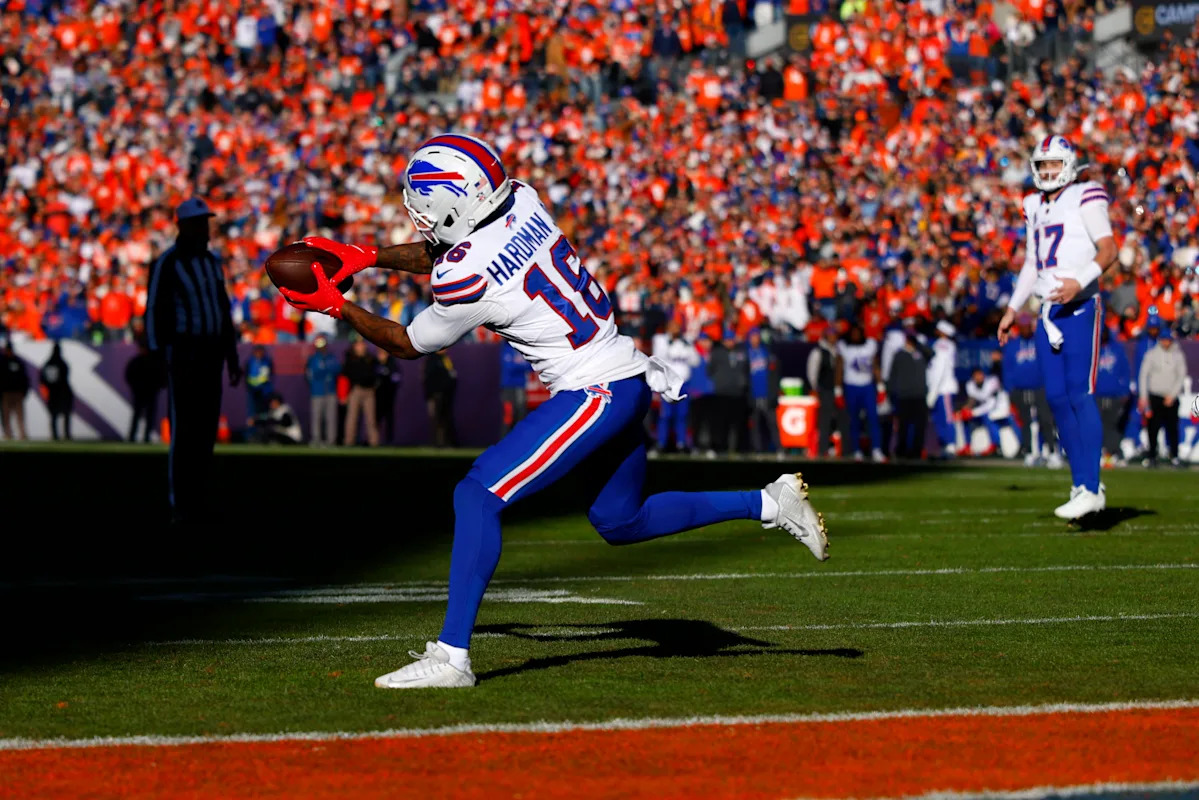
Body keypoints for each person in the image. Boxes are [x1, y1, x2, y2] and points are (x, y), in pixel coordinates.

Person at [280, 133, 828, 688]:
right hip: (626, 373)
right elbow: (452, 247)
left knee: (476, 495)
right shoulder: (522, 198)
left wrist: (337, 305)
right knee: (620, 521)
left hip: (594, 391)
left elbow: (406, 342)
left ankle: (452, 657)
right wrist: (368, 257)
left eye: (424, 207)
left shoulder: (464, 276)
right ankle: (769, 502)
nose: (418, 217)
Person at [998, 135, 1119, 519]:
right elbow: (1032, 263)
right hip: (1048, 311)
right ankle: (1081, 483)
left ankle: (1091, 485)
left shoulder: (1085, 194)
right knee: (1055, 398)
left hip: (1081, 305)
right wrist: (1013, 308)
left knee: (1079, 393)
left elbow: (1109, 249)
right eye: (1043, 164)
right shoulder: (1033, 203)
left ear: (1068, 165)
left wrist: (1078, 282)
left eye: (1054, 164)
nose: (1048, 171)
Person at [145, 197, 243, 524]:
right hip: (184, 354)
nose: (205, 229)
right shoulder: (168, 262)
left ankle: (198, 498)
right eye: (199, 223)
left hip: (211, 353)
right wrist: (158, 355)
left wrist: (231, 354)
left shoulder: (212, 262)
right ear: (184, 226)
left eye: (206, 222)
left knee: (206, 429)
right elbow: (154, 310)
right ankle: (180, 503)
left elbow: (223, 309)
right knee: (185, 430)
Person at [1002, 313, 1059, 466]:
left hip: (1040, 387)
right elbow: (1007, 368)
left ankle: (1051, 451)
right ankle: (1028, 452)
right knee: (1025, 422)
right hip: (1020, 389)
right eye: (1023, 327)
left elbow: (1049, 364)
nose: (1025, 329)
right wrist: (1009, 389)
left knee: (1046, 420)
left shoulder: (1040, 342)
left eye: (1027, 326)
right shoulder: (1013, 345)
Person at [1137, 329, 1187, 467]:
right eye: (1164, 340)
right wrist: (1144, 396)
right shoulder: (1151, 354)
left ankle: (1174, 456)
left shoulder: (1178, 355)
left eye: (1168, 340)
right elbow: (1143, 375)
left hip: (1171, 397)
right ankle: (1152, 456)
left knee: (1172, 428)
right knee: (1153, 428)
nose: (1166, 343)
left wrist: (1173, 395)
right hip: (1155, 396)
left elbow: (1181, 376)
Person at [837, 323, 884, 462]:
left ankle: (876, 449)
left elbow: (875, 366)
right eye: (853, 333)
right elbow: (839, 368)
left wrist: (881, 387)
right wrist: (838, 391)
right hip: (851, 386)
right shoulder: (844, 347)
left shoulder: (870, 345)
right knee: (854, 420)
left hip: (867, 386)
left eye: (858, 333)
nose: (855, 336)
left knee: (873, 419)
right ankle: (856, 450)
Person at [707, 327, 749, 455]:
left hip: (737, 393)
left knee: (738, 423)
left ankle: (739, 449)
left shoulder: (741, 352)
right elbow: (710, 370)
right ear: (723, 341)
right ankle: (719, 448)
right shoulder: (717, 353)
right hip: (721, 393)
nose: (729, 342)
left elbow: (746, 369)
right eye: (727, 340)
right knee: (721, 423)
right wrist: (720, 380)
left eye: (731, 339)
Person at [887, 330, 929, 459]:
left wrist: (918, 344)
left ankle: (917, 450)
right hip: (904, 395)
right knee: (903, 425)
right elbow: (893, 375)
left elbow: (931, 353)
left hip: (920, 395)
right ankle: (901, 450)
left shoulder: (921, 354)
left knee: (920, 425)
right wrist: (892, 393)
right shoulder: (899, 355)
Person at [1093, 327, 1132, 465]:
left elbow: (1125, 371)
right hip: (1097, 394)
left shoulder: (1117, 349)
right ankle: (1098, 452)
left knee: (1111, 425)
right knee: (1096, 425)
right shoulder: (1093, 348)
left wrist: (1124, 390)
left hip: (1113, 394)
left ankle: (1111, 452)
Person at [806, 325, 844, 457]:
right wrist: (815, 388)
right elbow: (812, 371)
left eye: (835, 335)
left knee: (838, 419)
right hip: (825, 390)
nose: (833, 338)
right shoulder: (818, 351)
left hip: (837, 390)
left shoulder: (837, 350)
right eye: (831, 335)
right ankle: (823, 449)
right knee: (824, 420)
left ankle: (836, 448)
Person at [926, 320, 960, 458]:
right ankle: (944, 445)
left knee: (946, 417)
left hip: (943, 388)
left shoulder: (942, 344)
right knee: (938, 419)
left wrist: (933, 391)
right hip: (939, 388)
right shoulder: (949, 344)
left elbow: (939, 369)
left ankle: (950, 444)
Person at [746, 328, 781, 456]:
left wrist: (773, 393)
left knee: (772, 423)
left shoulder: (767, 353)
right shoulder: (745, 354)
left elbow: (775, 375)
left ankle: (779, 449)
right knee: (754, 424)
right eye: (752, 336)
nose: (755, 339)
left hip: (766, 394)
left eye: (756, 336)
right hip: (753, 395)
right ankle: (757, 450)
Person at [342, 339, 380, 447]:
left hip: (369, 391)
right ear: (354, 347)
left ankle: (374, 442)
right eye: (358, 345)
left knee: (371, 419)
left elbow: (377, 374)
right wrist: (344, 394)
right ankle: (349, 442)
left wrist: (374, 384)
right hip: (356, 390)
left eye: (362, 344)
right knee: (352, 418)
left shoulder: (371, 359)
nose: (361, 346)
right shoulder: (351, 359)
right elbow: (344, 378)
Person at [125, 342, 165, 443]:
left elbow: (160, 377)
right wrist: (136, 388)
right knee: (138, 415)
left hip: (149, 393)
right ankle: (134, 436)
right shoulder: (138, 361)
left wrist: (156, 388)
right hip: (141, 393)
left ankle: (145, 436)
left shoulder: (151, 362)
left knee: (147, 416)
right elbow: (129, 375)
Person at [305, 335, 339, 446]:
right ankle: (316, 439)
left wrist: (325, 370)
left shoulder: (331, 357)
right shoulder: (313, 359)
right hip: (317, 391)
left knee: (331, 417)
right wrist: (325, 371)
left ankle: (331, 440)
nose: (321, 348)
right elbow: (313, 374)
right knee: (316, 417)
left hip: (330, 390)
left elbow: (336, 369)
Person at [424, 348, 459, 447]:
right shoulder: (432, 360)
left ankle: (447, 442)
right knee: (437, 419)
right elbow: (429, 379)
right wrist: (432, 393)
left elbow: (451, 375)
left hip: (446, 395)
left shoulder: (445, 359)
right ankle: (437, 443)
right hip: (436, 395)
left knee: (446, 419)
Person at [39, 341, 74, 441]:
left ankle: (55, 435)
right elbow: (65, 376)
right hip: (63, 392)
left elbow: (42, 379)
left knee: (54, 415)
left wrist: (48, 390)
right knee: (65, 414)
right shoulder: (62, 363)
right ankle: (66, 435)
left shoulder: (47, 363)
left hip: (53, 393)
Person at [499, 340, 532, 436]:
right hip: (508, 388)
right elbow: (510, 367)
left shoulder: (521, 348)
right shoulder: (506, 348)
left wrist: (519, 364)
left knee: (521, 414)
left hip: (520, 387)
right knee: (508, 416)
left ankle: (520, 440)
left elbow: (531, 366)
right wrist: (521, 364)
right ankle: (504, 440)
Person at [0, 341, 30, 440]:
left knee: (19, 415)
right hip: (7, 393)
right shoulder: (4, 361)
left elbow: (24, 378)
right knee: (6, 415)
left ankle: (22, 434)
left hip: (16, 393)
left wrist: (24, 391)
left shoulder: (14, 362)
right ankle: (8, 434)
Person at [374, 348, 403, 445]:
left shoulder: (392, 363)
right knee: (376, 418)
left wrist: (388, 376)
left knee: (389, 418)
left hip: (389, 396)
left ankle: (389, 440)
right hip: (377, 396)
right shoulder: (375, 363)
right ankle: (375, 440)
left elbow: (396, 378)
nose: (381, 355)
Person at [245, 345, 274, 426]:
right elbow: (246, 376)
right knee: (252, 411)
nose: (259, 353)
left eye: (260, 351)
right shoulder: (249, 361)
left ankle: (264, 429)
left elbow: (270, 375)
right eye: (257, 351)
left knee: (264, 412)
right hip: (252, 391)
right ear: (254, 352)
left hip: (264, 391)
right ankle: (252, 430)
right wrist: (249, 387)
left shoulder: (267, 361)